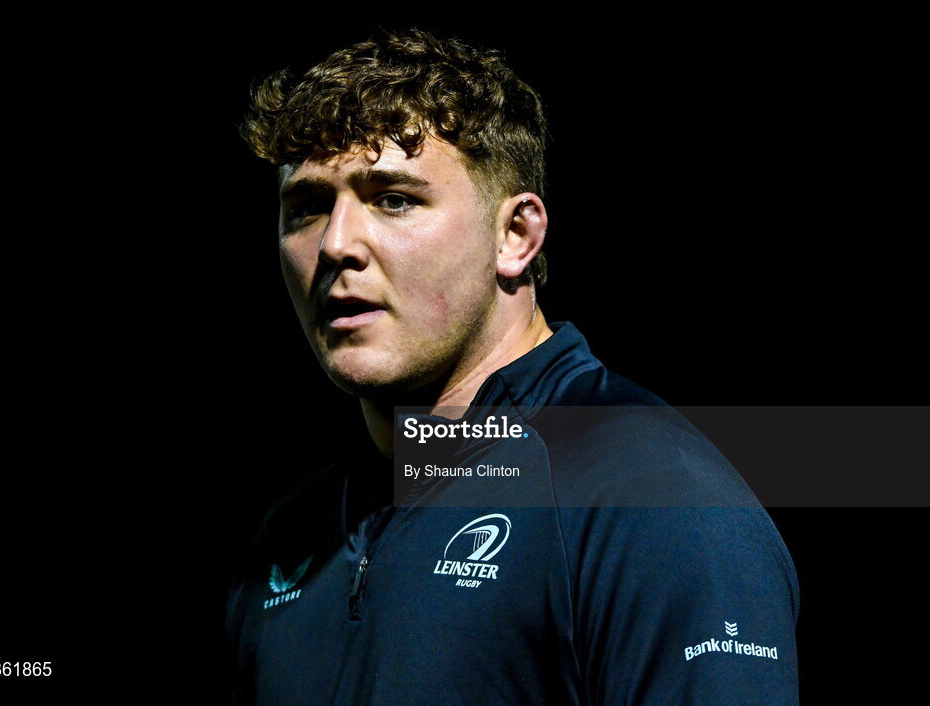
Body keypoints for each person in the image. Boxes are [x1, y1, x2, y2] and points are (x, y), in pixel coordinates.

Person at [225, 27, 799, 705]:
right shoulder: (294, 530)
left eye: (393, 198)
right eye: (308, 208)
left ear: (515, 235)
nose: (336, 245)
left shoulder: (652, 500)